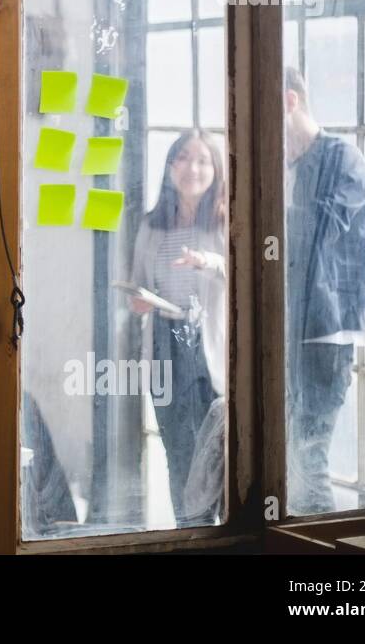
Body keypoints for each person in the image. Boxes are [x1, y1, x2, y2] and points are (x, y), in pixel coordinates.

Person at [283, 67, 365, 515]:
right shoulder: (290, 165)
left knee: (307, 454)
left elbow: (320, 231)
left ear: (289, 101)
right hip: (291, 324)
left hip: (327, 331)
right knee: (287, 455)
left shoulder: (342, 158)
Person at [128, 128, 228, 527]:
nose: (193, 168)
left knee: (214, 452)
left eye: (203, 160)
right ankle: (188, 535)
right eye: (184, 158)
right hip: (165, 344)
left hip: (211, 347)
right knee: (177, 449)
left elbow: (252, 277)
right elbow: (138, 281)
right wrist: (138, 300)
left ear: (216, 170)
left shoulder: (225, 220)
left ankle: (216, 534)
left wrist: (209, 262)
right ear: (170, 167)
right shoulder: (153, 224)